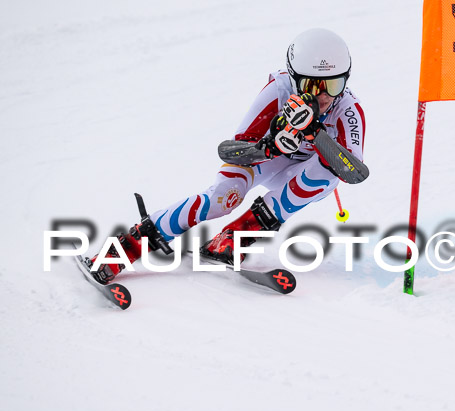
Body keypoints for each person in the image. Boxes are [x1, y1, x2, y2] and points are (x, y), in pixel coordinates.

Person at [90, 28, 366, 284]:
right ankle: (129, 244)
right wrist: (270, 147)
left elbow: (354, 172)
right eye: (312, 85)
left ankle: (234, 237)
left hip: (302, 174)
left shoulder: (348, 109)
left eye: (334, 84)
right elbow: (230, 150)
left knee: (325, 175)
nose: (324, 96)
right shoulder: (279, 91)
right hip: (268, 163)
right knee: (222, 199)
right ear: (294, 78)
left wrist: (315, 133)